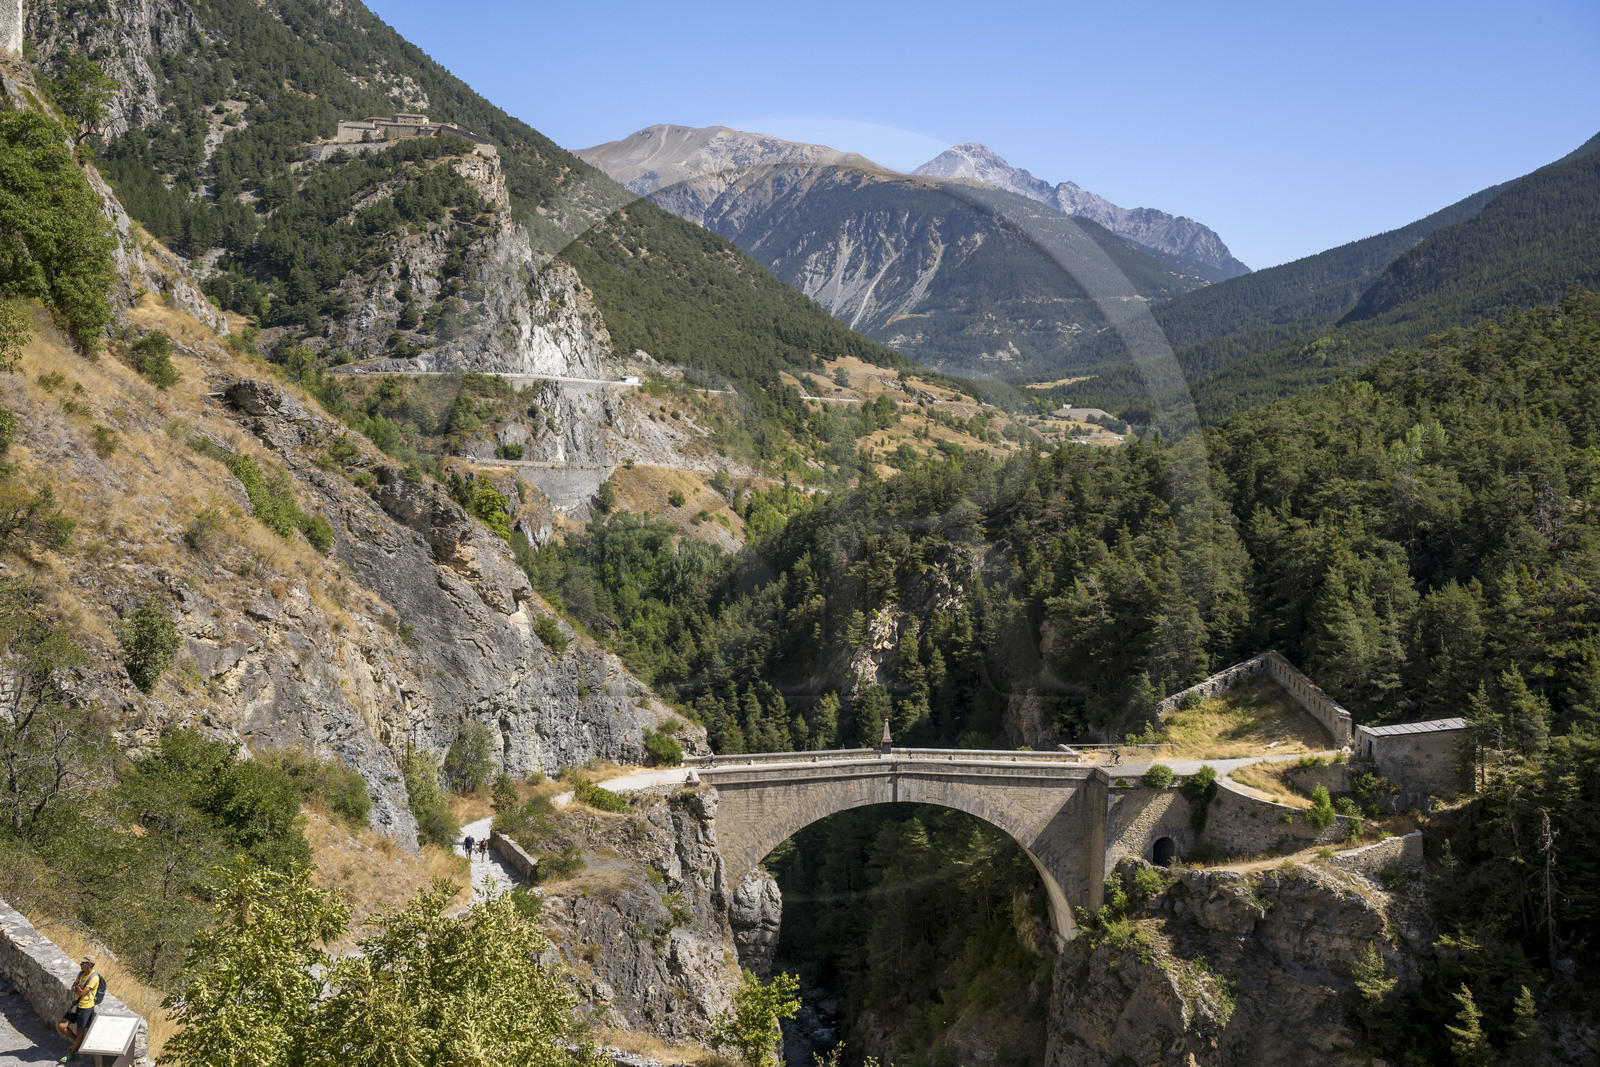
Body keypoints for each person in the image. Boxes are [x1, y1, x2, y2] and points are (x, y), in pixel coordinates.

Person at [55, 957, 99, 1062]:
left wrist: (78, 989)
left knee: (80, 1031)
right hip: (76, 1004)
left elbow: (82, 992)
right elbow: (73, 987)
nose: (81, 964)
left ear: (89, 965)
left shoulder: (94, 977)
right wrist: (78, 989)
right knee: (62, 1025)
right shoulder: (81, 974)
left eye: (83, 963)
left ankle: (71, 1053)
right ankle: (77, 1043)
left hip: (86, 1007)